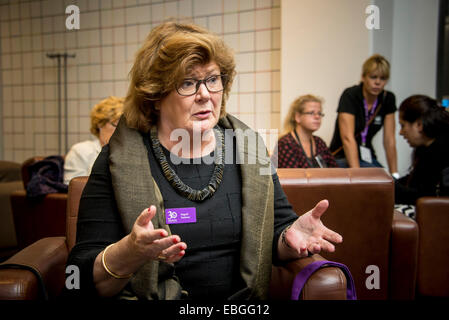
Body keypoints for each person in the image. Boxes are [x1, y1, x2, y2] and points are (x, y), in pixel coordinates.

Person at [65, 21, 342, 300]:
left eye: (212, 79)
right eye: (187, 82)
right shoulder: (116, 160)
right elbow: (78, 277)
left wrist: (290, 237)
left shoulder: (249, 147)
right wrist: (130, 252)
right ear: (155, 96)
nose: (205, 94)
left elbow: (275, 234)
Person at [329, 54, 399, 178]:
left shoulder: (388, 98)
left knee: (390, 182)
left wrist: (395, 174)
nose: (377, 82)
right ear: (363, 77)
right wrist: (357, 176)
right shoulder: (350, 95)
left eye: (382, 78)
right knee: (374, 181)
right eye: (373, 77)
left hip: (367, 156)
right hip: (343, 156)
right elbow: (347, 138)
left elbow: (389, 140)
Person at [395, 94, 449, 211]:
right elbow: (414, 182)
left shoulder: (440, 154)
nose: (400, 132)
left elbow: (423, 194)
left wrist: (390, 188)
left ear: (419, 125)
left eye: (403, 125)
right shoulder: (427, 149)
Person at [63, 96, 124, 185]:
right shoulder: (81, 151)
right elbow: (74, 191)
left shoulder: (130, 152)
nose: (121, 131)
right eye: (116, 125)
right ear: (100, 123)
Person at [272, 94, 338, 168]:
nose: (317, 117)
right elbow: (293, 178)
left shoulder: (319, 142)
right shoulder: (285, 144)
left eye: (319, 113)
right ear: (297, 117)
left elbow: (335, 172)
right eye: (311, 113)